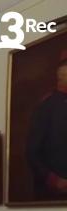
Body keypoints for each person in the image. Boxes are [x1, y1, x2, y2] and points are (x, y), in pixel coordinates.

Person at [26, 58, 67, 196]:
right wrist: (54, 180)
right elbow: (32, 151)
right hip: (56, 190)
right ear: (60, 76)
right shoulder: (47, 106)